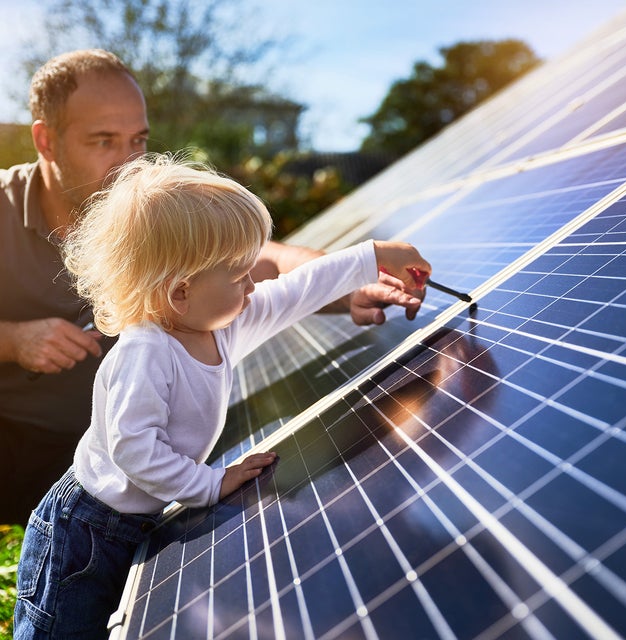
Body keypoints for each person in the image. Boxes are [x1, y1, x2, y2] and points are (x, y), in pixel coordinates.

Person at [13, 154, 431, 639]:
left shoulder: (221, 324)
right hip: (86, 532)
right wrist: (210, 485)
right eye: (239, 275)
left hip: (132, 517)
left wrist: (373, 256)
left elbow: (297, 290)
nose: (254, 284)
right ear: (180, 292)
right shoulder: (146, 353)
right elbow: (134, 450)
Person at [0, 49, 424, 526]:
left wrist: (354, 281)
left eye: (138, 140)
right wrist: (15, 340)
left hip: (150, 457)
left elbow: (265, 265)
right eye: (103, 141)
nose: (127, 163)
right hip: (40, 450)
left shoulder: (155, 217)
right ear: (46, 140)